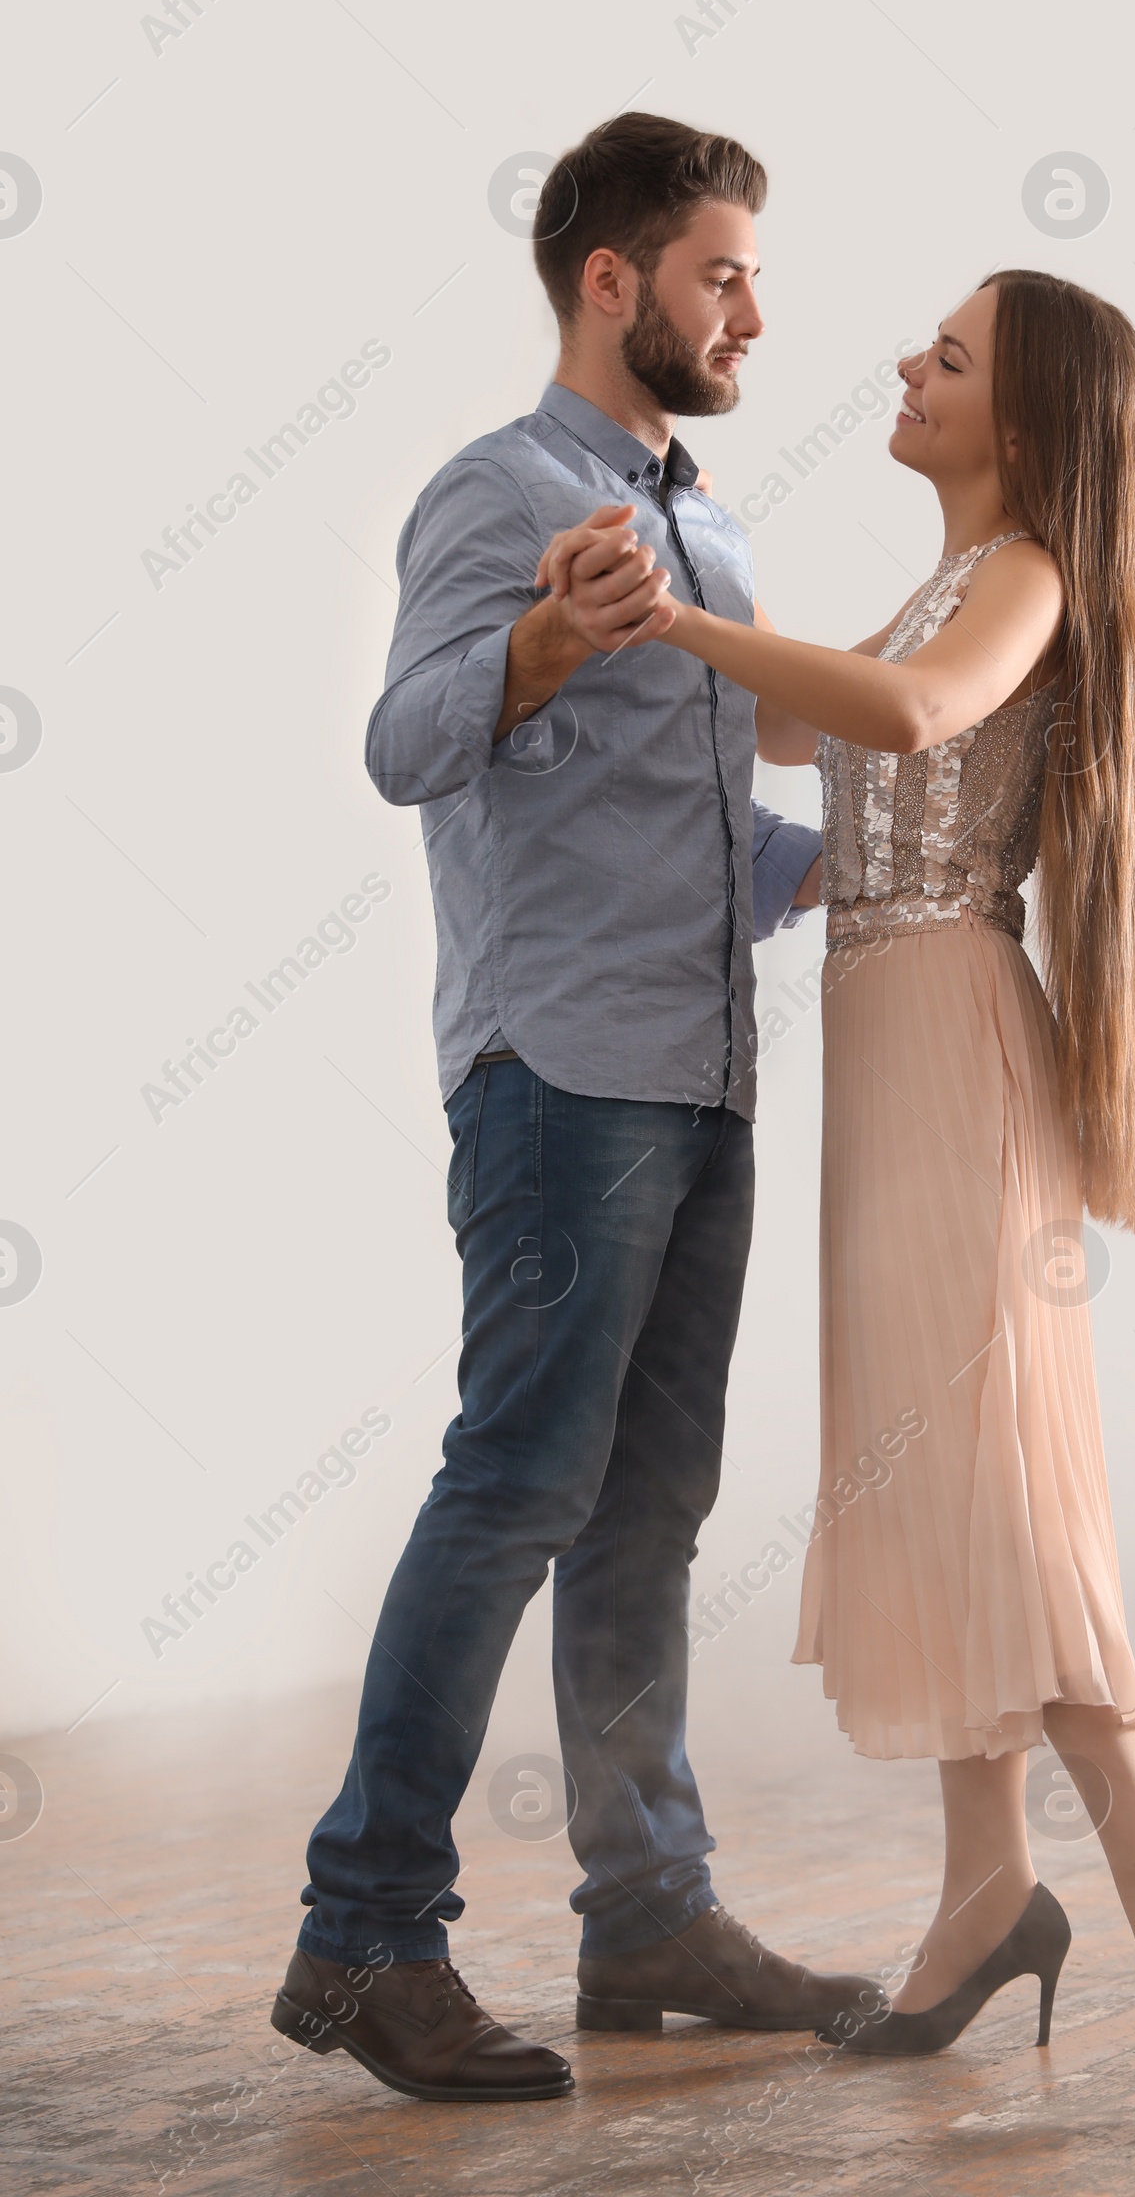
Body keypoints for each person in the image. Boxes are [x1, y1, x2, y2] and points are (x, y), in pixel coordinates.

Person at [538, 267, 1135, 2131]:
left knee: (995, 1480)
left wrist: (689, 625)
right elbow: (826, 724)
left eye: (946, 358)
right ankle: (983, 1898)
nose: (901, 364)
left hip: (953, 1042)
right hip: (887, 1047)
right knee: (926, 1464)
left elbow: (893, 717)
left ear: (1025, 425)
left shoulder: (1024, 575)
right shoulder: (947, 580)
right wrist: (670, 613)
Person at [270, 112, 883, 2102]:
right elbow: (403, 740)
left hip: (700, 1081)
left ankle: (648, 1921)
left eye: (752, 280)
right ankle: (364, 1935)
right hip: (556, 1083)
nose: (751, 315)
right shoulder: (496, 491)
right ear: (610, 282)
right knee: (515, 1490)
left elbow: (709, 831)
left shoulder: (708, 528)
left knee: (643, 1512)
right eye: (720, 276)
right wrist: (540, 633)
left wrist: (859, 870)